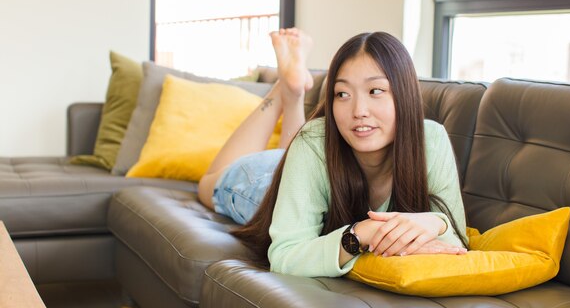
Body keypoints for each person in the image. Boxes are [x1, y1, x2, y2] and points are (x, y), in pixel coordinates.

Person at [198, 28, 468, 278]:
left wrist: (436, 223)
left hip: (306, 168)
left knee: (299, 148)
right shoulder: (313, 141)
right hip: (264, 183)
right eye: (342, 94)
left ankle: (291, 91)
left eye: (376, 90)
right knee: (206, 184)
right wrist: (363, 233)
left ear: (404, 94)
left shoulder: (431, 139)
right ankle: (284, 89)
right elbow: (285, 255)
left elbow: (456, 242)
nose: (359, 110)